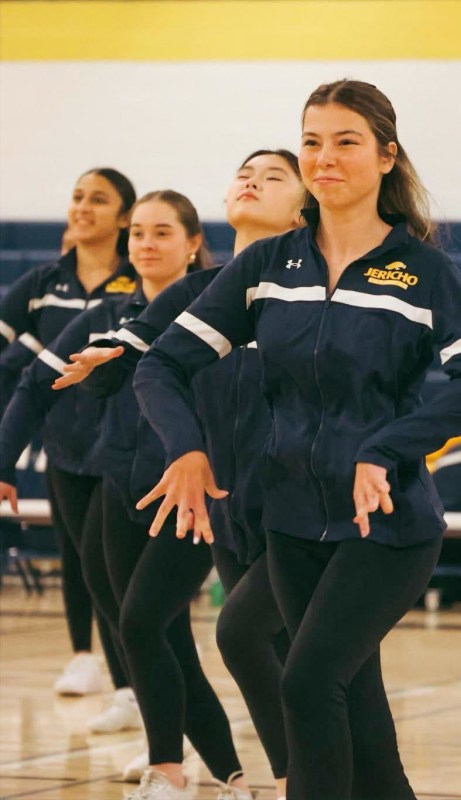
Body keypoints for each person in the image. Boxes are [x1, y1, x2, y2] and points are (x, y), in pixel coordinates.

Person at [133, 79, 461, 800]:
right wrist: (186, 448)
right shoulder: (268, 267)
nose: (324, 157)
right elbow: (161, 365)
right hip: (293, 524)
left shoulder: (422, 270)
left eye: (345, 142)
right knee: (360, 720)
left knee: (305, 682)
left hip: (387, 525)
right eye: (311, 142)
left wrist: (384, 449)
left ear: (386, 157)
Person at [55, 150, 308, 800]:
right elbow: (139, 352)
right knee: (264, 658)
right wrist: (105, 360)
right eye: (244, 172)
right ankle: (263, 779)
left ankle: (286, 781)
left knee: (274, 651)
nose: (251, 180)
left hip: (304, 509)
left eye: (272, 176)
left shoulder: (317, 290)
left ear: (303, 210)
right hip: (228, 513)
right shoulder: (198, 294)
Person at [1, 190, 254, 800]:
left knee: (143, 623)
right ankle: (229, 775)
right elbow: (37, 383)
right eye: (137, 232)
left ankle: (168, 765)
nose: (145, 244)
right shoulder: (108, 316)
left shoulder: (219, 308)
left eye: (162, 232)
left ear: (193, 243)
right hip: (121, 490)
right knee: (153, 635)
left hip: (195, 497)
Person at [0, 168, 137, 707]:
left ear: (123, 217)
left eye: (98, 199)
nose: (82, 207)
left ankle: (134, 678)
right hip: (65, 445)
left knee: (114, 568)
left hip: (125, 450)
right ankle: (85, 658)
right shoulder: (41, 284)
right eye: (78, 196)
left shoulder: (138, 279)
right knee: (79, 558)